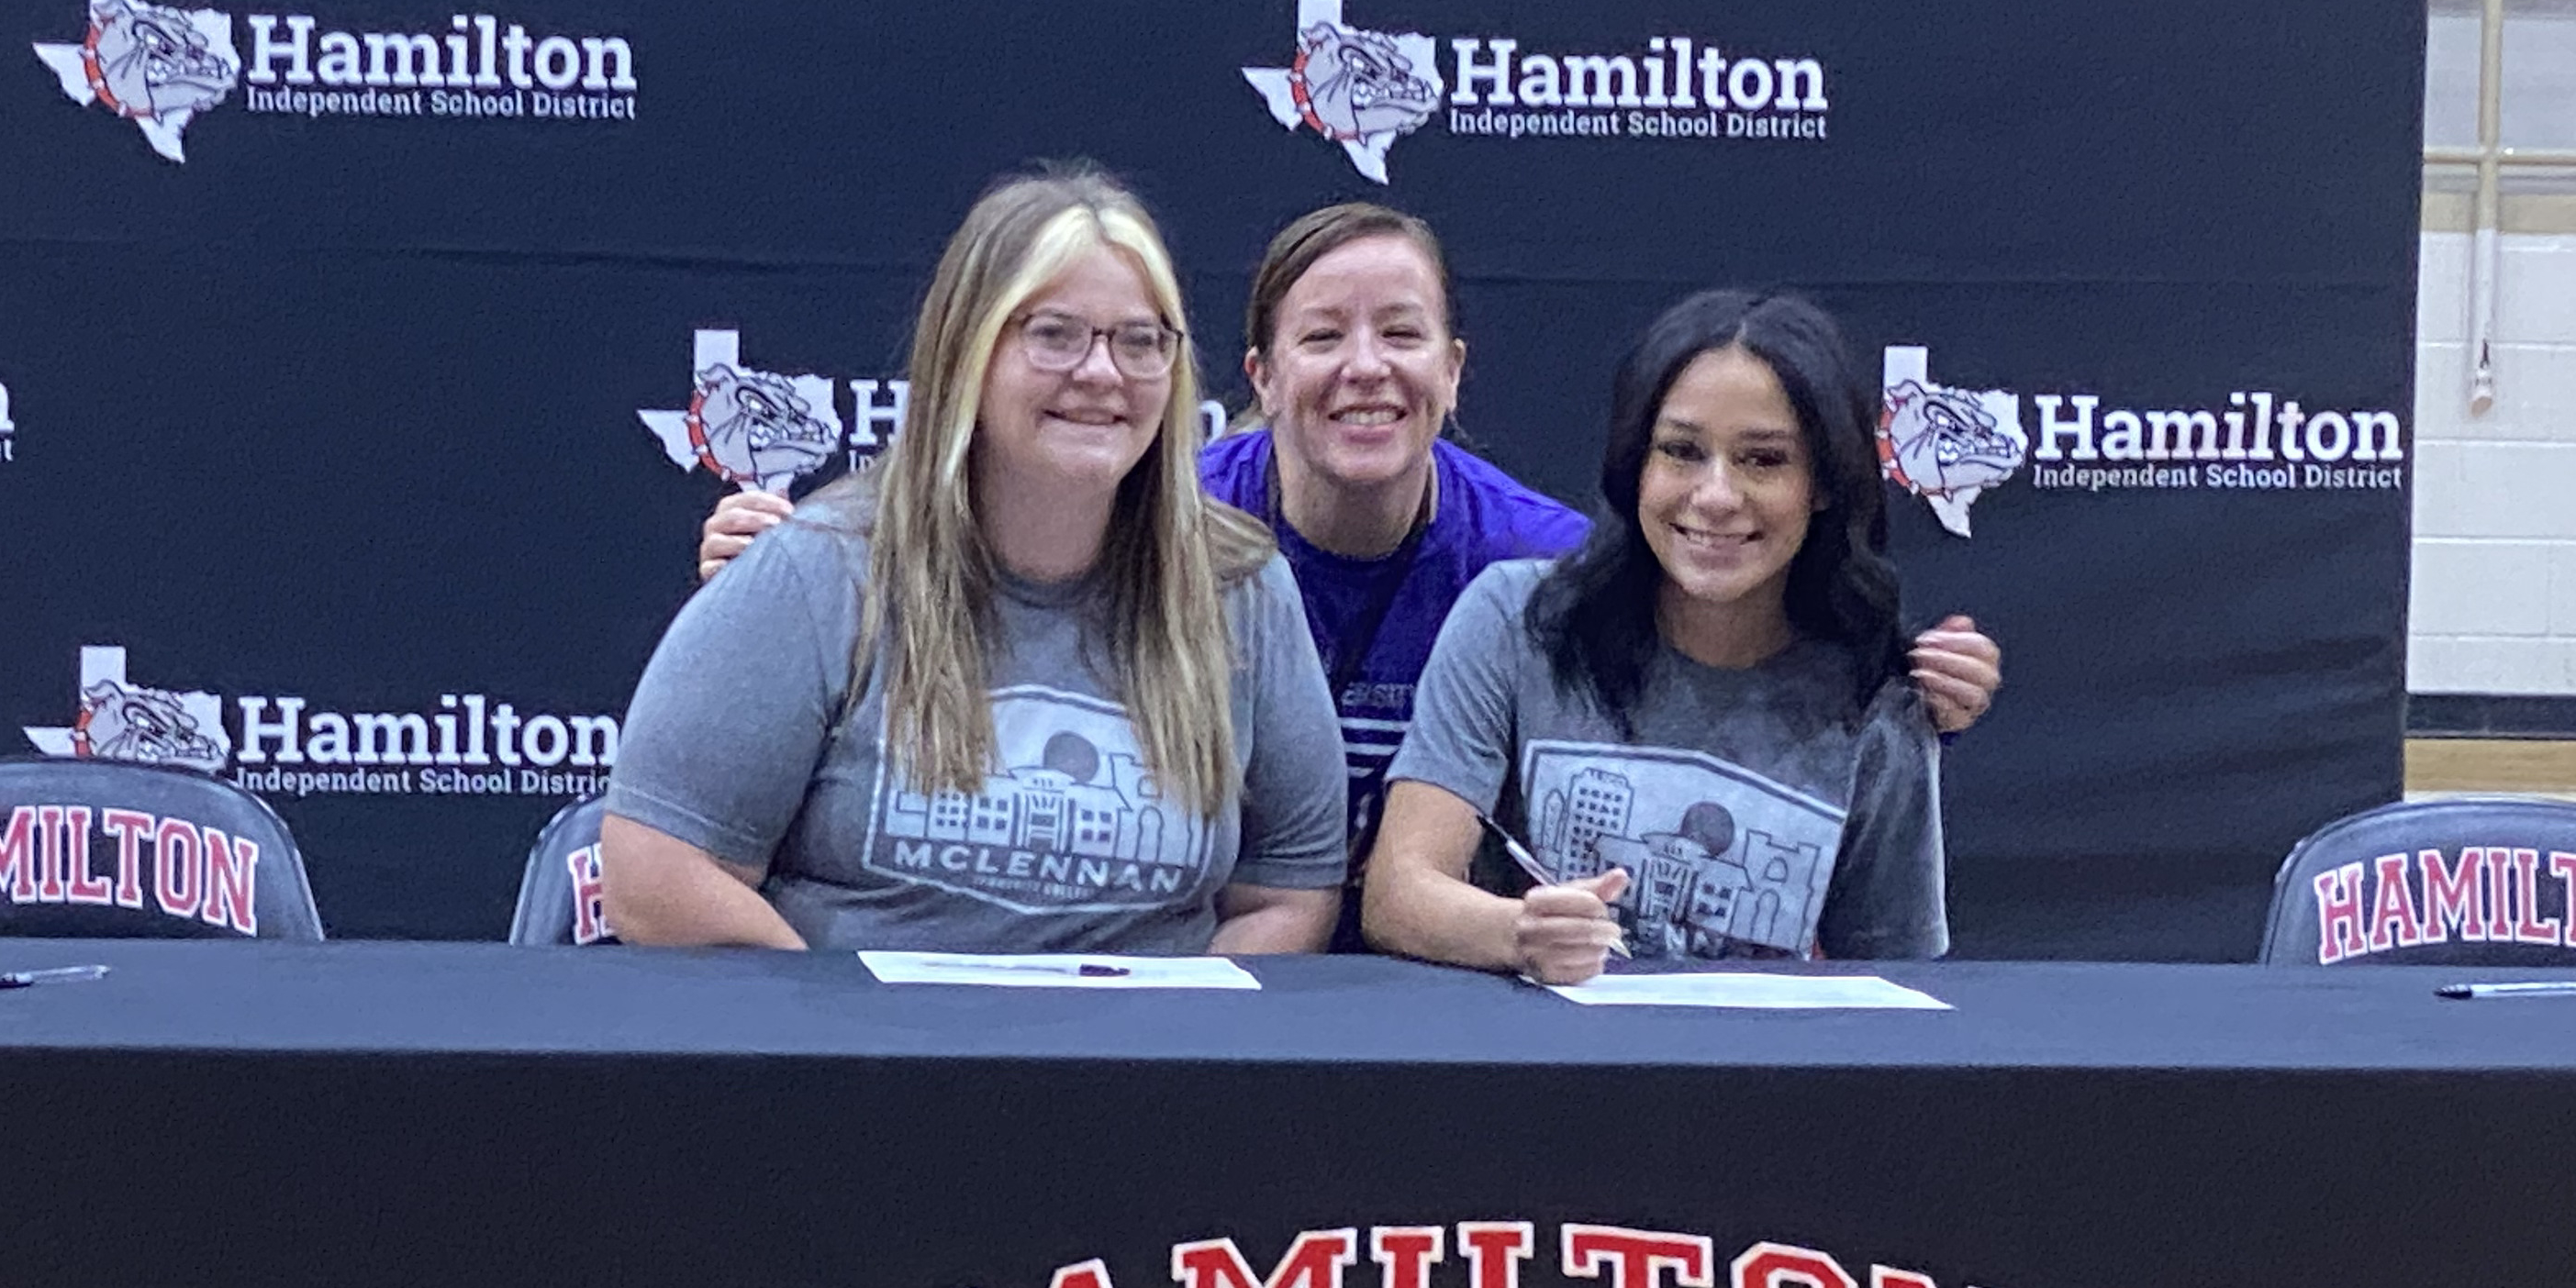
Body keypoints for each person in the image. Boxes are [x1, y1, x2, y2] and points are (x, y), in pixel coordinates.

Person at [696, 203, 2001, 932]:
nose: (1365, 367)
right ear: (1255, 380)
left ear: (1454, 371)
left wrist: (1907, 671)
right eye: (1322, 335)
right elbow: (936, 549)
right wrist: (790, 564)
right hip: (1241, 974)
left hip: (1351, 974)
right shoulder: (1172, 540)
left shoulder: (1545, 575)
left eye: (1402, 333)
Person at [604, 168, 1347, 955]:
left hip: (1138, 1071)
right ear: (966, 352)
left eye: (1140, 341)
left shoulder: (1242, 588)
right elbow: (656, 874)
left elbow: (1287, 892)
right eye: (1054, 333)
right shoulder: (821, 572)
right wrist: (861, 1049)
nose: (1101, 373)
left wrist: (1166, 1056)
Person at [1363, 287, 1947, 982]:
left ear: (1823, 483)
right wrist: (1520, 933)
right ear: (1635, 464)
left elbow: (1901, 980)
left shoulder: (1878, 694)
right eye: (1681, 452)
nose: (1716, 496)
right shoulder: (1515, 620)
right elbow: (1397, 894)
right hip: (1529, 1074)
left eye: (1764, 460)